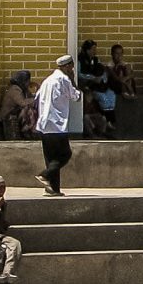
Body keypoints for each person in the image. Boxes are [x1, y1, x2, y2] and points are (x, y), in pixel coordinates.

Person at [33, 54, 81, 195]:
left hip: (44, 124)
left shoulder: (47, 80)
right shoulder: (64, 79)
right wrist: (73, 80)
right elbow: (76, 96)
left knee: (51, 158)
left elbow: (37, 98)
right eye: (71, 66)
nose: (72, 69)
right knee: (65, 154)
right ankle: (45, 174)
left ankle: (52, 189)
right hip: (57, 123)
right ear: (67, 66)